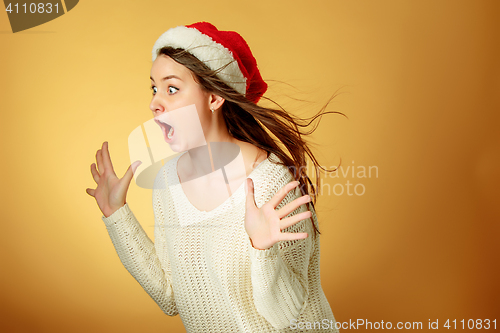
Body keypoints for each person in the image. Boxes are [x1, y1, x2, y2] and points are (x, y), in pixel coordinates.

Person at [86, 22, 340, 332]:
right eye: (154, 88)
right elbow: (170, 296)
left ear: (214, 98)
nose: (155, 102)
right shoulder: (167, 181)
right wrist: (117, 215)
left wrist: (263, 250)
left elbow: (297, 319)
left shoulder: (272, 183)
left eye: (172, 88)